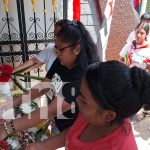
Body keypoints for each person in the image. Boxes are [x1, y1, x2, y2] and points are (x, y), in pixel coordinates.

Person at [0, 20, 99, 141]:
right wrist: (13, 102)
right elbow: (43, 87)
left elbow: (50, 111)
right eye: (56, 46)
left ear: (76, 49)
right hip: (59, 121)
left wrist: (7, 128)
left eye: (60, 48)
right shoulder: (61, 61)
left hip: (75, 131)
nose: (56, 51)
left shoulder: (80, 78)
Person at [24, 60, 150, 150]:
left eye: (84, 100)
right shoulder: (95, 114)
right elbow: (73, 133)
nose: (77, 100)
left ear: (109, 115)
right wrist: (40, 146)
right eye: (80, 94)